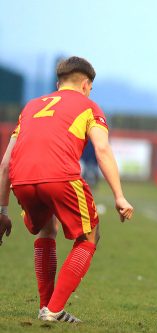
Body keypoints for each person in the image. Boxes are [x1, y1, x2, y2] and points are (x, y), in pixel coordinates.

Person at [0, 56, 134, 323]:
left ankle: (45, 306)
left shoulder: (30, 107)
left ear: (58, 82)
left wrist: (2, 209)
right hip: (60, 177)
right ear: (85, 84)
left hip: (22, 179)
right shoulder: (89, 106)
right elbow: (103, 149)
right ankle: (53, 309)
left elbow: (5, 163)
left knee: (47, 228)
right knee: (89, 235)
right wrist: (119, 195)